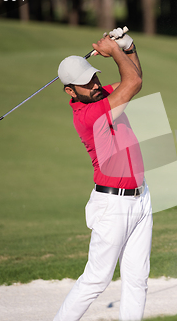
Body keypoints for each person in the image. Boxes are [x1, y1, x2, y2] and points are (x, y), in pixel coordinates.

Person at [54, 28, 152, 321]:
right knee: (97, 279)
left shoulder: (103, 95)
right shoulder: (88, 116)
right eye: (85, 83)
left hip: (140, 198)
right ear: (70, 91)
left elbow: (135, 80)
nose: (95, 84)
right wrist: (116, 52)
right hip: (113, 206)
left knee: (137, 279)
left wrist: (128, 46)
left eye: (94, 77)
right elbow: (132, 81)